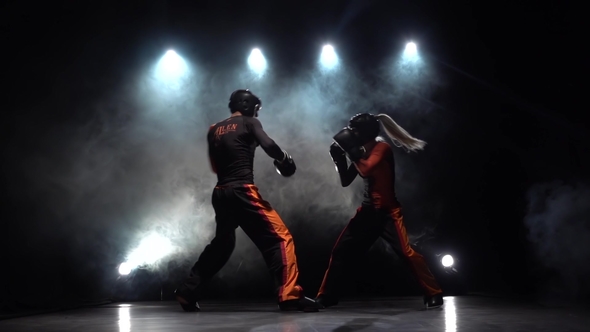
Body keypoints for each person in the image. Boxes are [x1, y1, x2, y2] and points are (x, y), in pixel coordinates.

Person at [174, 89, 321, 312]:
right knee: (280, 239)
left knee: (222, 245)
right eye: (256, 109)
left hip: (221, 192)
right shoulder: (249, 122)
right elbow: (269, 145)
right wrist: (283, 158)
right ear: (249, 106)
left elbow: (215, 166)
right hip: (242, 191)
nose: (257, 114)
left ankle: (187, 291)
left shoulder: (214, 129)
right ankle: (289, 295)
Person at [315, 112, 444, 309]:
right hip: (367, 213)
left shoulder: (381, 147)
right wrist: (339, 160)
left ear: (364, 132)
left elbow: (365, 169)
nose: (350, 132)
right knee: (340, 252)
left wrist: (350, 151)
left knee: (407, 254)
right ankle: (326, 296)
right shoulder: (361, 150)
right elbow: (345, 180)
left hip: (388, 214)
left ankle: (434, 292)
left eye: (354, 129)